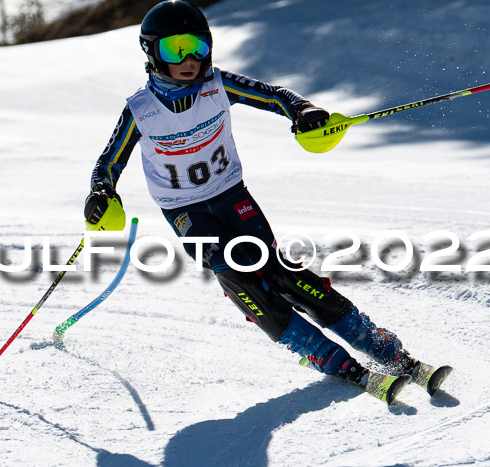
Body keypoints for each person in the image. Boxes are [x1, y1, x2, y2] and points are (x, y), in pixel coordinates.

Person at [84, 0, 447, 400]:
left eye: (198, 46)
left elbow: (275, 96)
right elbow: (108, 162)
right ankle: (329, 358)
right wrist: (101, 193)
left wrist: (303, 111)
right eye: (175, 49)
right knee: (237, 273)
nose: (189, 59)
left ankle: (386, 351)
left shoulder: (218, 85)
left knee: (281, 273)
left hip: (231, 195)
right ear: (152, 53)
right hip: (186, 211)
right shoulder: (141, 109)